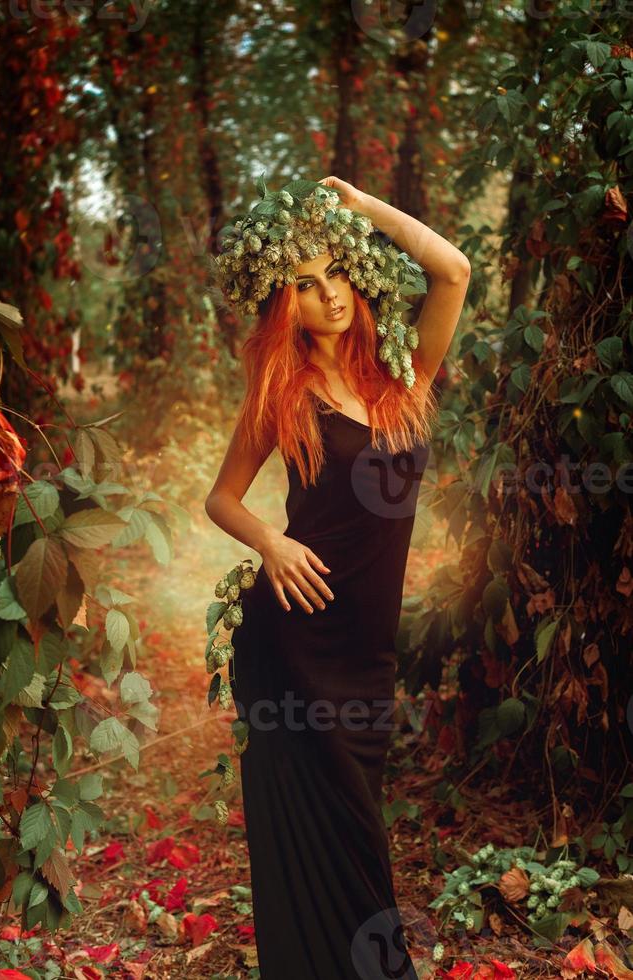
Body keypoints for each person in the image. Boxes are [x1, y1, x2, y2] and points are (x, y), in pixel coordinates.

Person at [204, 175, 470, 980]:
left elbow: (452, 270)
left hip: (365, 655)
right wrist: (271, 547)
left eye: (336, 274)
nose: (329, 296)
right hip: (291, 642)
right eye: (306, 286)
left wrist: (361, 209)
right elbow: (221, 498)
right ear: (286, 305)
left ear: (356, 270)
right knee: (319, 852)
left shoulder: (404, 380)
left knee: (359, 837)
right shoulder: (281, 394)